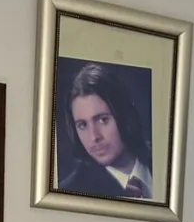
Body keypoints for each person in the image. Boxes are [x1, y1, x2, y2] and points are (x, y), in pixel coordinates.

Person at [58, 64, 154, 200]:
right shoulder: (69, 193)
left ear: (125, 116)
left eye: (103, 120)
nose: (94, 137)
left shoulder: (165, 159)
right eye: (82, 125)